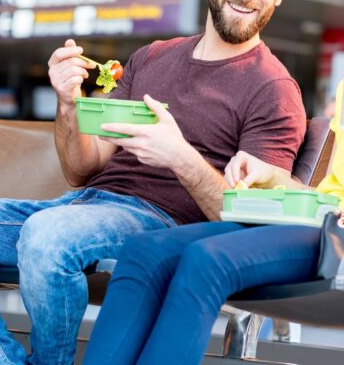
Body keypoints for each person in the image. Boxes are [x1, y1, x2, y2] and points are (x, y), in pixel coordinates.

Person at [0, 0, 305, 365]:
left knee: (48, 236)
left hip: (161, 227)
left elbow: (250, 224)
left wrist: (180, 156)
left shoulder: (273, 90)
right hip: (81, 207)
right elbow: (81, 168)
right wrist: (69, 104)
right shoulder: (152, 57)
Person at [83, 151, 328, 365]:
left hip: (333, 234)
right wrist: (273, 176)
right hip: (321, 217)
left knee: (207, 261)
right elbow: (332, 192)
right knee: (144, 251)